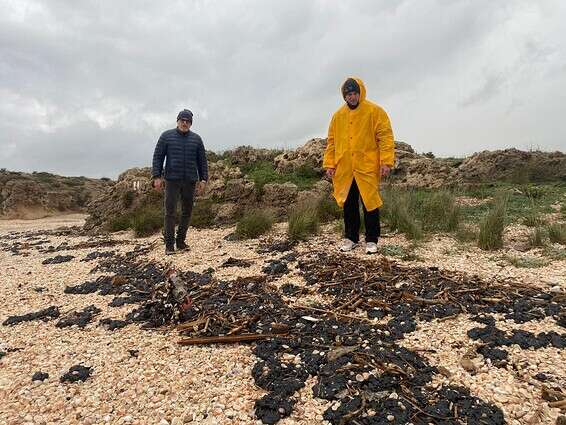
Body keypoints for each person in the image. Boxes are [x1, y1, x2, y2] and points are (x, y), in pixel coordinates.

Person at [323, 77, 395, 254]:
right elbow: (331, 142)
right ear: (344, 96)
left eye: (355, 93)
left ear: (360, 92)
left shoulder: (374, 111)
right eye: (348, 94)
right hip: (345, 168)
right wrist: (330, 164)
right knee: (349, 203)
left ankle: (372, 240)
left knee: (370, 202)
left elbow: (385, 137)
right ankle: (351, 238)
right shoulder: (338, 116)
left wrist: (386, 161)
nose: (352, 97)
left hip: (367, 166)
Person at [152, 109, 208, 255]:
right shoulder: (166, 136)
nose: (185, 123)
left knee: (187, 212)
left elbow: (202, 161)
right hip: (172, 180)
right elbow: (158, 156)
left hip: (190, 180)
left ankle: (181, 242)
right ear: (177, 121)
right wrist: (157, 177)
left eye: (187, 121)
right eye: (182, 120)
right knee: (170, 212)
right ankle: (169, 245)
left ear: (190, 123)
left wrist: (203, 179)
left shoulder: (196, 139)